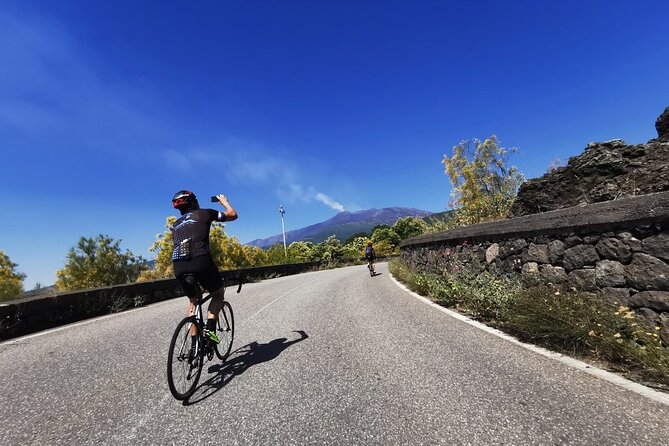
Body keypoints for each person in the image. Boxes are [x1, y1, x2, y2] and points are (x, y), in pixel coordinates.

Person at [170, 190, 237, 356]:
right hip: (201, 261)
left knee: (193, 301)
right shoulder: (206, 213)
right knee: (218, 293)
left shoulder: (175, 225)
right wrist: (224, 202)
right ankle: (210, 332)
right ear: (193, 202)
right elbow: (233, 215)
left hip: (178, 267)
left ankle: (194, 348)